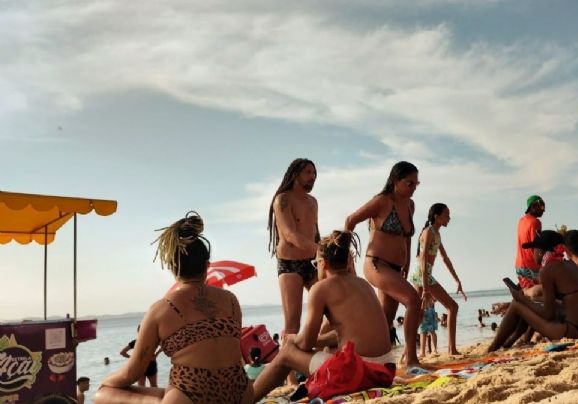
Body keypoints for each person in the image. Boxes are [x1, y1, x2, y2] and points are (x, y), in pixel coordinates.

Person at [96, 212, 253, 404]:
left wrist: (105, 382)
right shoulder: (230, 300)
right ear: (207, 266)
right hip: (240, 393)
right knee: (169, 391)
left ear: (172, 266)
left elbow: (132, 372)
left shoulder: (161, 309)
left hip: (191, 397)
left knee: (102, 394)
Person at [252, 231, 395, 400]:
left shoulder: (321, 289)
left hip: (358, 374)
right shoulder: (363, 284)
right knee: (330, 348)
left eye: (315, 263)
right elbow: (347, 335)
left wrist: (292, 339)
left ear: (323, 263)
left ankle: (247, 398)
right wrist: (319, 340)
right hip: (385, 371)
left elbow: (306, 343)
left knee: (286, 354)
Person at [345, 161, 422, 367]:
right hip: (377, 264)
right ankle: (412, 359)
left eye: (417, 184)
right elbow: (351, 220)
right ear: (396, 181)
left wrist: (406, 260)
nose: (413, 188)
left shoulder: (410, 205)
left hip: (396, 268)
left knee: (384, 322)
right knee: (413, 300)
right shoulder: (382, 201)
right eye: (410, 183)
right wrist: (347, 256)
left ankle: (366, 361)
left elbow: (407, 236)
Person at [488, 230, 578, 352]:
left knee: (517, 305)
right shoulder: (569, 264)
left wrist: (521, 299)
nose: (532, 254)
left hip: (574, 331)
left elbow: (548, 314)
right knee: (531, 302)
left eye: (533, 250)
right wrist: (528, 301)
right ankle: (510, 342)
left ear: (540, 251)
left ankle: (492, 348)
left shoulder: (548, 270)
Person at [268, 158, 320, 340]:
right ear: (295, 175)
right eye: (308, 172)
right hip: (290, 265)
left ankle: (321, 359)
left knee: (331, 311)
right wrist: (322, 250)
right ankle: (288, 367)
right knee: (292, 324)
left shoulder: (313, 202)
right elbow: (290, 234)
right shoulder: (282, 199)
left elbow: (314, 232)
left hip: (313, 262)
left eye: (314, 173)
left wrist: (323, 251)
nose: (313, 177)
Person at [411, 203, 467, 355]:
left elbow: (445, 258)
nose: (449, 218)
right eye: (446, 215)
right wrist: (426, 287)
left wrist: (457, 280)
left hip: (422, 274)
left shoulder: (437, 233)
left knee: (419, 313)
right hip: (422, 274)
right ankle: (452, 349)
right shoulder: (429, 232)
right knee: (452, 307)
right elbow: (422, 258)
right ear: (437, 216)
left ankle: (407, 352)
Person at [515, 195, 544, 299]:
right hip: (530, 266)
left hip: (519, 265)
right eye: (541, 207)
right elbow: (537, 246)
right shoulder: (536, 222)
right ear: (533, 207)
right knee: (549, 286)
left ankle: (525, 293)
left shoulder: (521, 221)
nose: (543, 211)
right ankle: (524, 293)